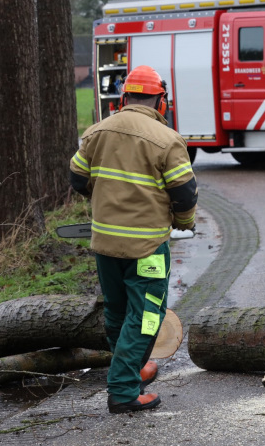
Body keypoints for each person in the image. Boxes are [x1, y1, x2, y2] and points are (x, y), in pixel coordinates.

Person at [69, 65, 197, 413]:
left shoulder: (98, 132)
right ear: (161, 101)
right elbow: (185, 193)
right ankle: (124, 390)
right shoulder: (166, 139)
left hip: (106, 244)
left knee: (117, 312)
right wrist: (183, 222)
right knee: (146, 317)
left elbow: (77, 178)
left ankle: (134, 367)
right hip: (147, 247)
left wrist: (105, 202)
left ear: (123, 98)